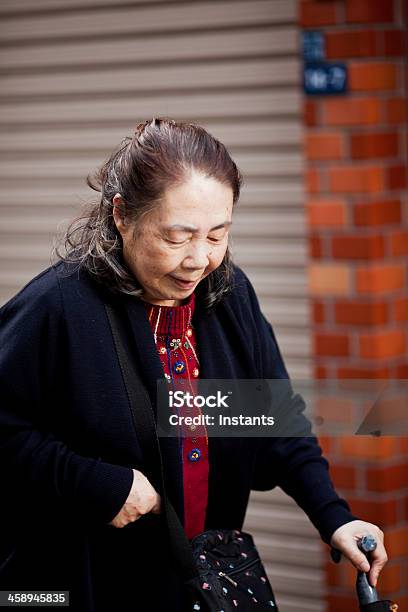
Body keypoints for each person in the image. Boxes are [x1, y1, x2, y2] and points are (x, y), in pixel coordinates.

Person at [0, 118, 387, 611]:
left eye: (217, 234)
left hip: (195, 584)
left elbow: (272, 420)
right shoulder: (56, 307)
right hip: (74, 586)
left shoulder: (228, 294)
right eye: (178, 237)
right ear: (122, 215)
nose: (199, 260)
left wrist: (334, 517)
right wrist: (94, 482)